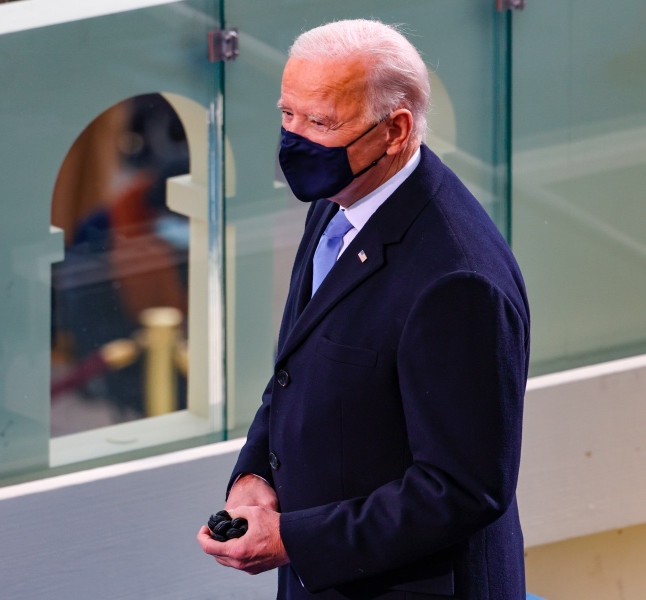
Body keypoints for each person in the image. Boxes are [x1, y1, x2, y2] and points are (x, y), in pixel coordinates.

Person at [197, 19, 529, 600]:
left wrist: (295, 540)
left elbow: (462, 488)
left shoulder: (458, 281)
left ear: (396, 130)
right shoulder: (339, 202)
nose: (295, 140)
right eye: (287, 115)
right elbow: (296, 371)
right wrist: (255, 476)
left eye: (321, 123)